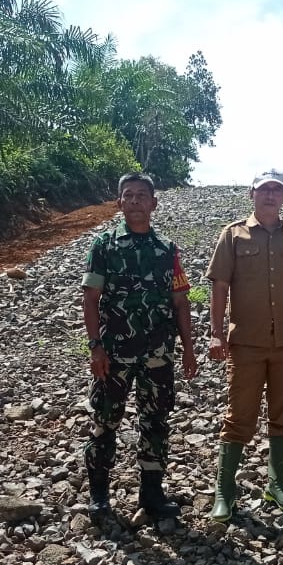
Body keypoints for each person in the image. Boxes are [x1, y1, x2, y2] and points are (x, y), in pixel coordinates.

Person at [82, 171, 199, 519]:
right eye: (128, 195)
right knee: (105, 421)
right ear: (119, 203)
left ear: (153, 203)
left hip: (157, 355)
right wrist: (95, 347)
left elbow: (181, 302)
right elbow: (91, 299)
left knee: (156, 422)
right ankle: (99, 497)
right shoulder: (104, 246)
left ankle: (151, 495)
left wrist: (189, 350)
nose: (135, 201)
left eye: (141, 195)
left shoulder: (167, 251)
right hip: (114, 354)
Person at [206, 169, 283, 521]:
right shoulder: (233, 235)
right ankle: (224, 494)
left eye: (277, 190)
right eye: (264, 189)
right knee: (239, 417)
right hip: (247, 344)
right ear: (252, 194)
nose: (271, 195)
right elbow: (220, 286)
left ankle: (277, 485)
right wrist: (215, 332)